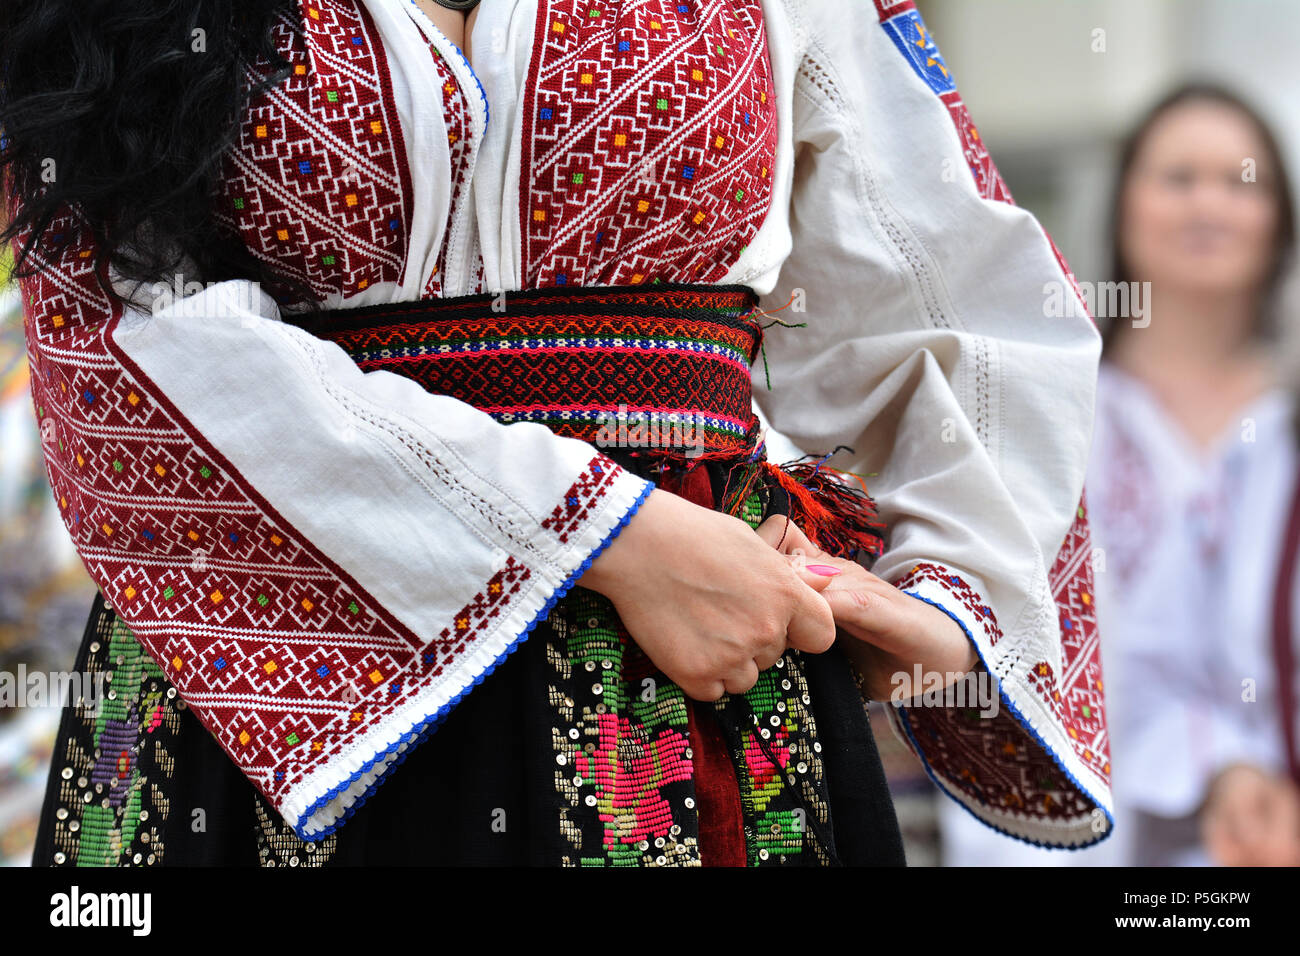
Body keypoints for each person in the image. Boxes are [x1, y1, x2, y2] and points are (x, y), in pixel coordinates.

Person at [1, 0, 1109, 866]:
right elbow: (113, 321)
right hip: (294, 666)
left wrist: (948, 592)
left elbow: (952, 284)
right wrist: (605, 533)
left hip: (713, 665)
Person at [940, 82, 1300, 867]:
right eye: (1179, 177)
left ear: (1280, 219)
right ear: (1124, 204)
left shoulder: (1287, 426)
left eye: (1242, 181)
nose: (1210, 204)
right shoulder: (1052, 414)